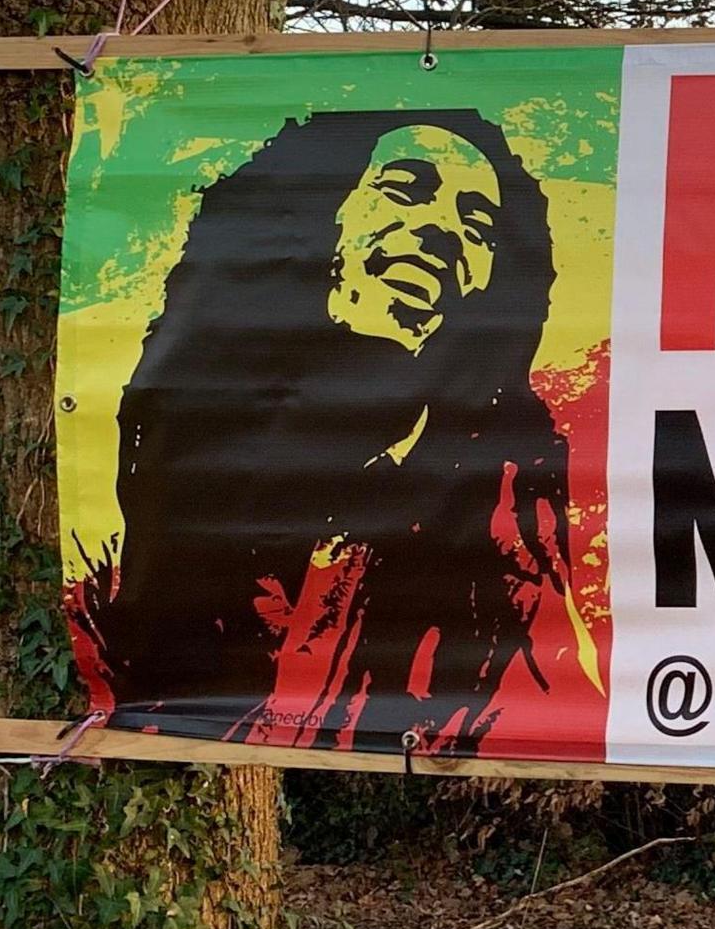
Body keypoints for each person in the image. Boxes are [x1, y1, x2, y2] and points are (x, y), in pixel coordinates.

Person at [74, 108, 592, 754]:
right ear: (314, 219)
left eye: (477, 227)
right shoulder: (125, 482)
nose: (442, 233)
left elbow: (547, 700)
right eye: (404, 189)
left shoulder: (507, 508)